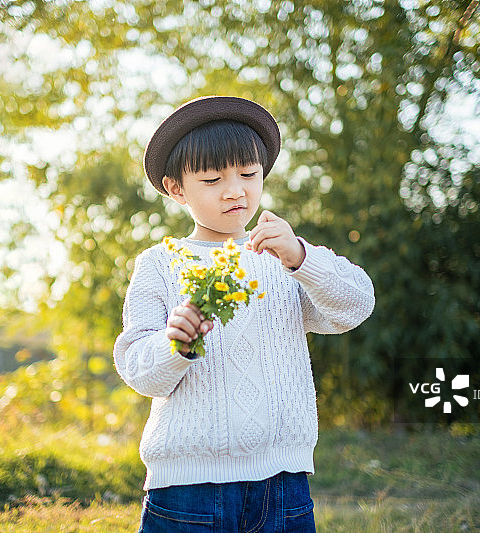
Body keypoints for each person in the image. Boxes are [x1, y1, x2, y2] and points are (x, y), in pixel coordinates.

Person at [113, 96, 375, 532]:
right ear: (176, 189)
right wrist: (176, 344)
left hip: (285, 484)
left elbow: (356, 305)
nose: (235, 190)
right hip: (189, 490)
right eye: (213, 179)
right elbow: (141, 371)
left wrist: (301, 257)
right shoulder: (161, 264)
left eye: (249, 174)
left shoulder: (281, 255)